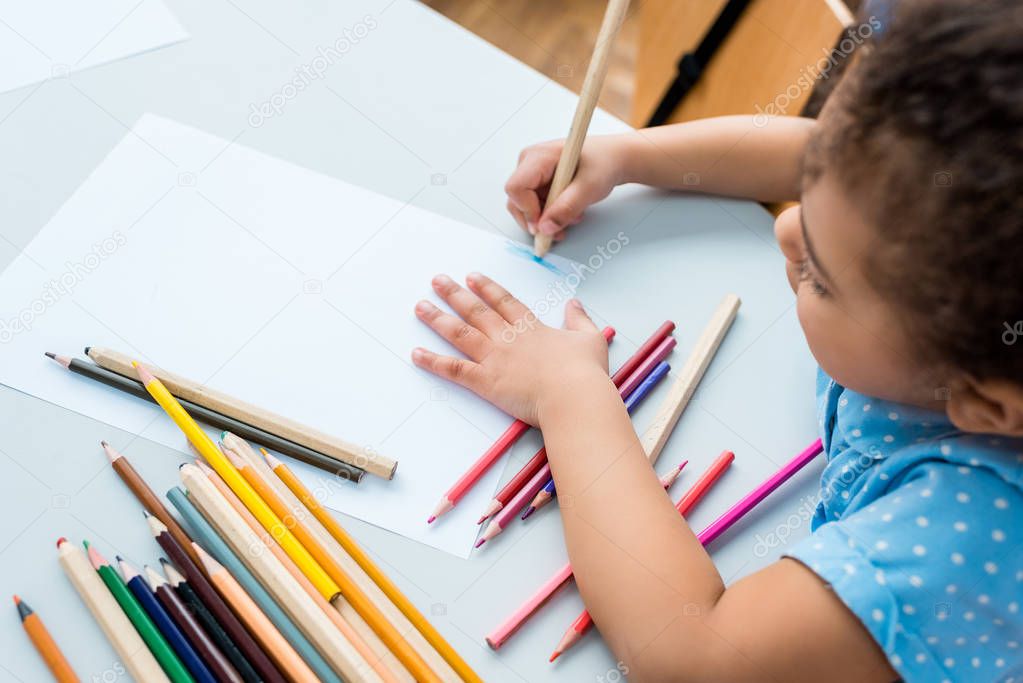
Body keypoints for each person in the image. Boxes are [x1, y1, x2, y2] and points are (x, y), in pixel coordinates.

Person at [412, 0, 1023, 680]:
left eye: (820, 274)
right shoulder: (935, 222)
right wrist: (631, 155)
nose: (785, 229)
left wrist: (571, 395)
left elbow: (692, 656)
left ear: (984, 404)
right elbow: (820, 154)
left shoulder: (962, 547)